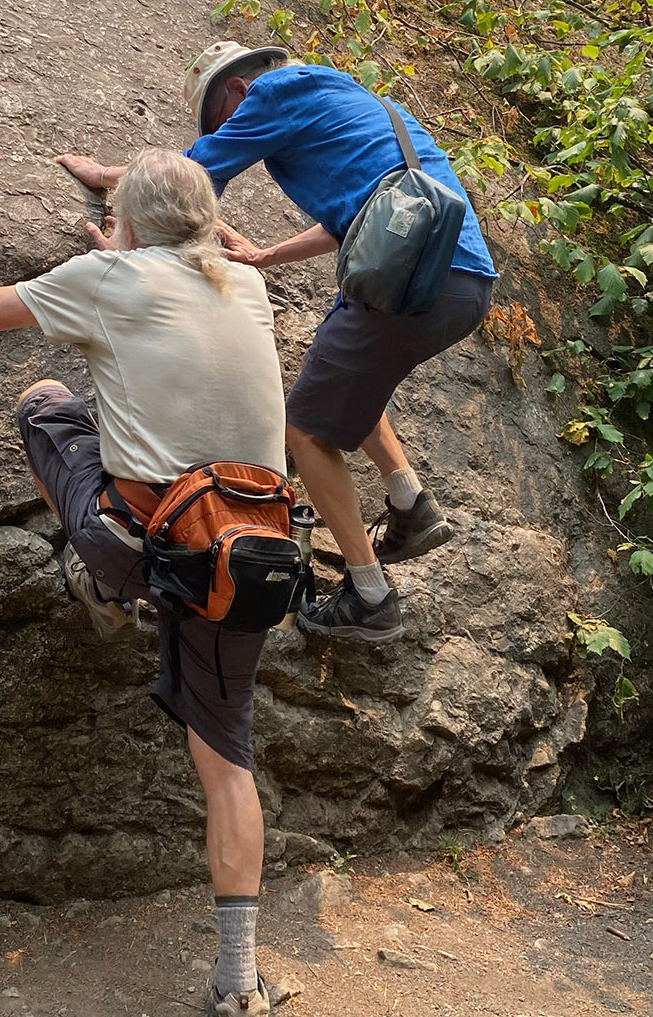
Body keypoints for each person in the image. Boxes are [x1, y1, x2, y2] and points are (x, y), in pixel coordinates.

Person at [0, 150, 287, 1017]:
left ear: (128, 227)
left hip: (141, 544)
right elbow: (196, 251)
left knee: (46, 402)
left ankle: (102, 585)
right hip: (244, 562)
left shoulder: (107, 277)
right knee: (227, 763)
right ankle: (239, 986)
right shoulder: (248, 283)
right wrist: (132, 229)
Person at [58, 42, 496, 642]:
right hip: (460, 284)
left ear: (238, 91)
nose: (227, 130)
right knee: (342, 380)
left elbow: (189, 177)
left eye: (220, 119)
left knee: (305, 430)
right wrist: (267, 255)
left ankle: (370, 598)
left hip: (414, 284)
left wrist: (110, 180)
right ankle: (409, 504)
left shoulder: (273, 92)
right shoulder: (353, 97)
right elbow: (356, 216)